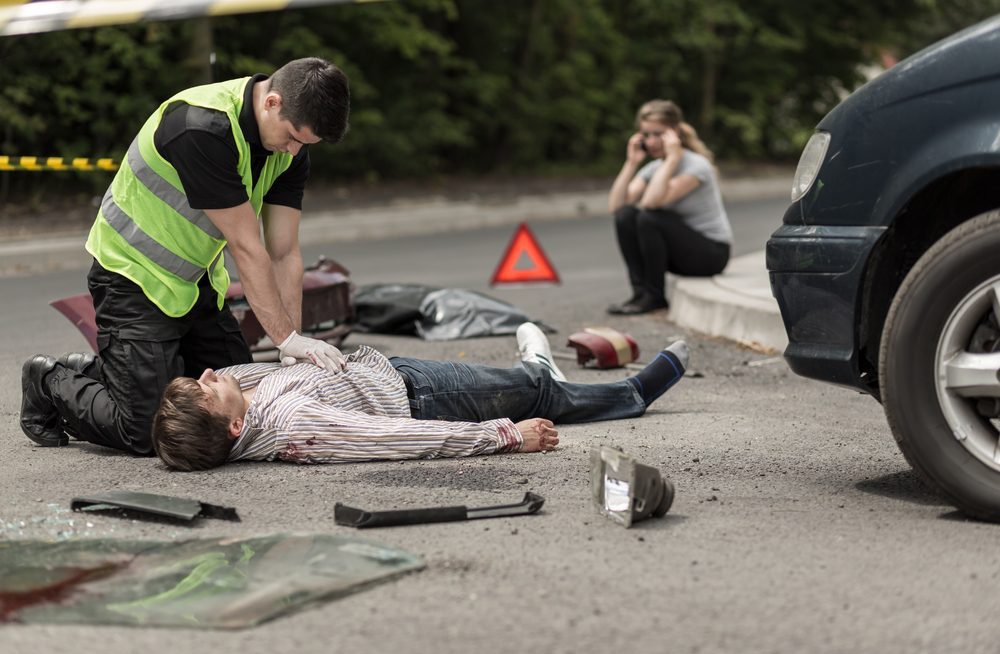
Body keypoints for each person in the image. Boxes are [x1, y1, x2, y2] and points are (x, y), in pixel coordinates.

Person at [20, 57, 351, 456]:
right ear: (273, 102)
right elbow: (247, 248)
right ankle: (51, 379)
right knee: (149, 431)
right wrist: (286, 337)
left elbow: (284, 251)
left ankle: (126, 371)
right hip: (132, 278)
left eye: (305, 145)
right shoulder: (201, 128)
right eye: (293, 137)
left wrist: (291, 349)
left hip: (194, 285)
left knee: (235, 403)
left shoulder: (289, 148)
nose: (294, 151)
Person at [151, 323, 691, 471]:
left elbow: (233, 374)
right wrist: (504, 436)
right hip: (425, 399)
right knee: (535, 394)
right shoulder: (295, 427)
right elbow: (399, 438)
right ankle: (631, 394)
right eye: (206, 389)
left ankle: (536, 374)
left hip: (395, 373)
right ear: (234, 430)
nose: (209, 374)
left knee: (529, 389)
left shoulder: (247, 404)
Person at [606, 100, 733, 315]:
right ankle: (640, 295)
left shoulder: (696, 166)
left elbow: (651, 202)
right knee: (625, 215)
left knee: (649, 217)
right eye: (646, 135)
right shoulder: (655, 168)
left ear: (674, 132)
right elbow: (616, 205)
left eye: (658, 134)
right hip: (681, 253)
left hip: (711, 254)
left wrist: (673, 158)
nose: (652, 141)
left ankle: (655, 297)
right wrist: (631, 163)